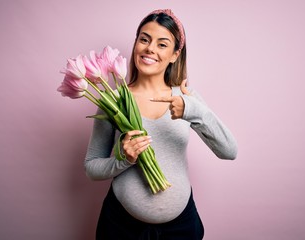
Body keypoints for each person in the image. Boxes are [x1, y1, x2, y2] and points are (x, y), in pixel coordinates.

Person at [84, 9, 238, 240]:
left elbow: (229, 151)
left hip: (180, 228)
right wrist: (123, 160)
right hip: (121, 226)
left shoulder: (187, 97)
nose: (150, 49)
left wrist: (192, 110)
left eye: (162, 44)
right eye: (144, 39)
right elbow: (91, 167)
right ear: (136, 43)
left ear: (175, 55)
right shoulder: (114, 101)